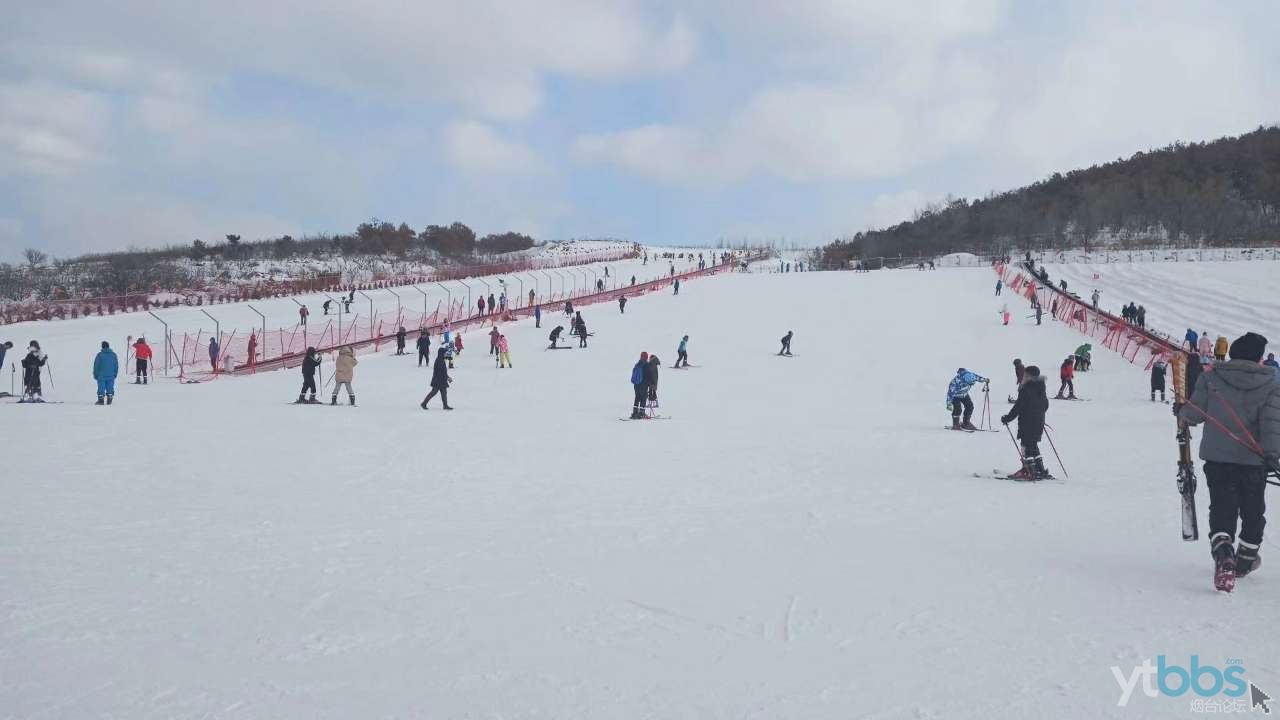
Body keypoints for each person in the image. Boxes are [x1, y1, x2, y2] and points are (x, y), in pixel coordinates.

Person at [1177, 332, 1280, 590]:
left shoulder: (1211, 377)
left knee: (1222, 507)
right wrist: (1272, 454)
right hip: (1254, 460)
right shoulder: (1271, 385)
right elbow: (1271, 424)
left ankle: (1224, 555)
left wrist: (1181, 411)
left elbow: (1195, 413)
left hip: (1218, 458)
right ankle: (1245, 559)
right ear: (1259, 358)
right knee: (1253, 510)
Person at [1001, 365, 1051, 479]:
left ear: (1029, 376)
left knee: (1026, 445)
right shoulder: (1041, 388)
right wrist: (1038, 414)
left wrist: (1007, 418)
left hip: (1027, 423)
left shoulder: (1026, 389)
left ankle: (1029, 470)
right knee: (1033, 445)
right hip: (1039, 422)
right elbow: (1045, 405)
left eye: (1025, 374)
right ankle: (1040, 469)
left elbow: (1018, 407)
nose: (1023, 376)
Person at [93, 341, 119, 405]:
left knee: (101, 387)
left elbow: (96, 365)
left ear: (102, 346)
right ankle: (109, 399)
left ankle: (101, 400)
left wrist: (95, 374)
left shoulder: (99, 355)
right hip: (111, 375)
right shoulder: (113, 355)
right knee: (110, 387)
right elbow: (116, 365)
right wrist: (115, 373)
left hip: (101, 375)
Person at [629, 352, 650, 419]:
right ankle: (641, 413)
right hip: (643, 385)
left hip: (636, 384)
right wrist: (649, 384)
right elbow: (648, 376)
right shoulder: (646, 365)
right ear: (646, 357)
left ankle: (635, 413)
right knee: (643, 398)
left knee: (637, 398)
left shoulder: (637, 364)